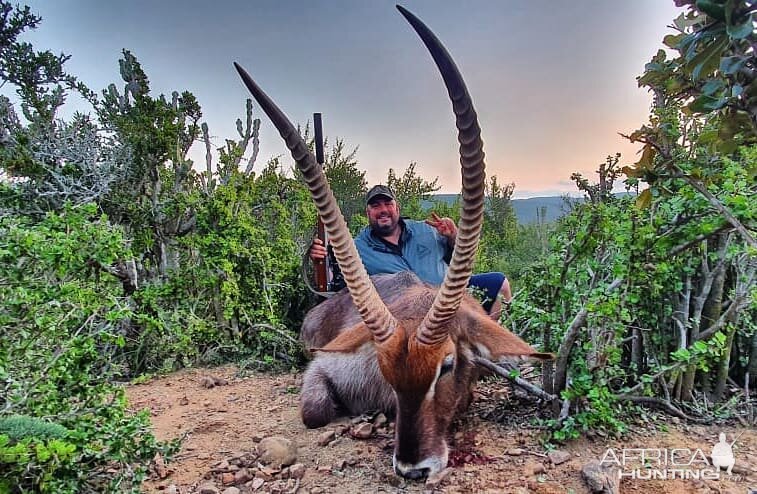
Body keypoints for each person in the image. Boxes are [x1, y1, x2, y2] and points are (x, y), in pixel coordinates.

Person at [309, 184, 512, 320]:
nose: (383, 210)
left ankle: (487, 354)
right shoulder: (356, 247)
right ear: (368, 212)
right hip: (406, 314)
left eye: (388, 203)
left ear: (397, 208)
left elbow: (462, 259)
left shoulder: (427, 229)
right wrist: (319, 258)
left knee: (499, 284)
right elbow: (339, 285)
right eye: (376, 205)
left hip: (449, 297)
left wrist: (453, 237)